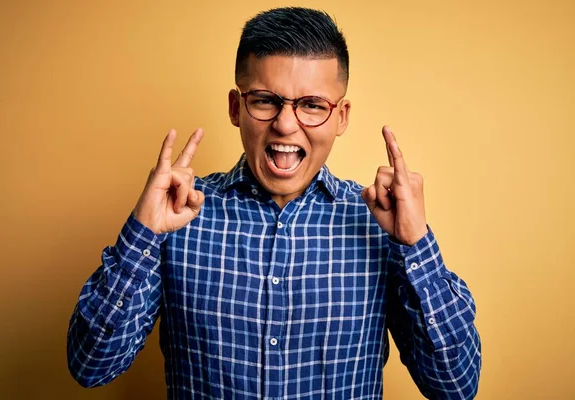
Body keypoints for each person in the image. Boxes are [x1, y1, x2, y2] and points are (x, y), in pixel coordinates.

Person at [67, 7, 481, 399]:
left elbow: (456, 386)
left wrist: (416, 245)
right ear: (236, 107)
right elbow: (90, 365)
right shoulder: (176, 217)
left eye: (313, 105)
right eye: (265, 99)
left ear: (341, 117)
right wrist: (142, 234)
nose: (285, 124)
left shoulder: (382, 225)